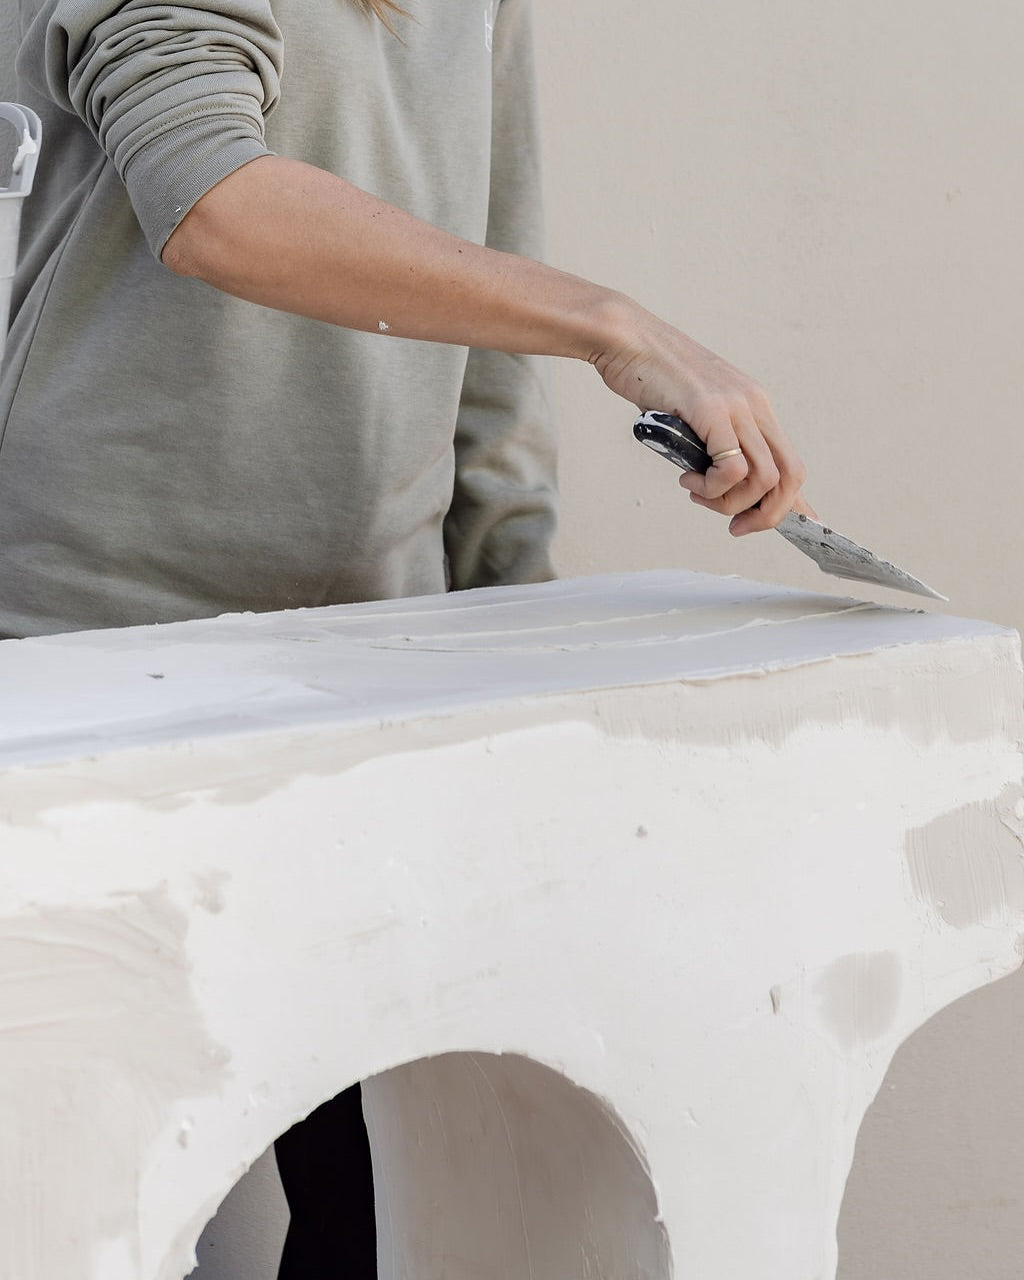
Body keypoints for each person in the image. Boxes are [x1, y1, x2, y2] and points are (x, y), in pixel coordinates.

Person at [1, 0, 810, 1274]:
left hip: (365, 665)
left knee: (382, 1210)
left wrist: (514, 625)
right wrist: (619, 324)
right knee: (94, 1211)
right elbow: (211, 199)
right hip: (96, 665)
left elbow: (486, 299)